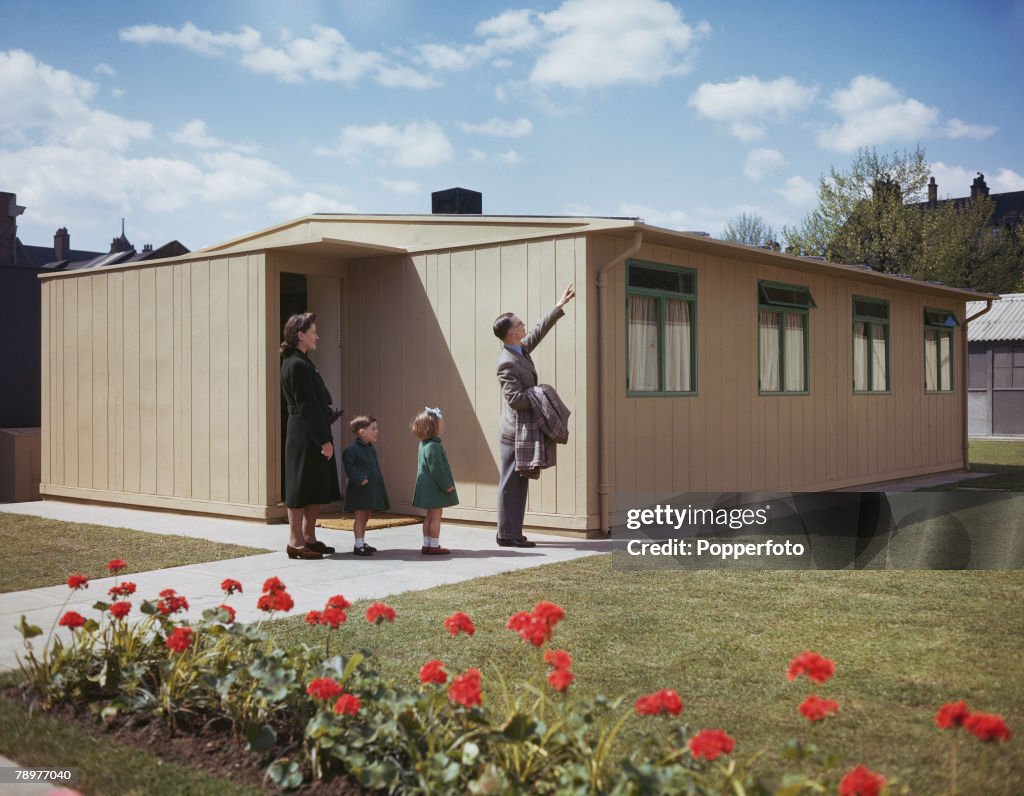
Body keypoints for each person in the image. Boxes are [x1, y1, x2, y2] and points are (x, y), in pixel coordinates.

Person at [494, 283, 576, 547]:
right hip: (514, 432)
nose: (523, 325)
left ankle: (511, 531)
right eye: (519, 324)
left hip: (523, 431)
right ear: (510, 333)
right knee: (511, 485)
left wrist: (558, 306)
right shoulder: (506, 361)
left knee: (520, 484)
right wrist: (539, 393)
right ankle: (507, 535)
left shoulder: (520, 350)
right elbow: (516, 400)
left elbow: (538, 331)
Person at [279, 312, 341, 560]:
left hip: (311, 429)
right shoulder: (295, 364)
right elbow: (307, 406)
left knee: (314, 484)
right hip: (304, 432)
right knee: (300, 487)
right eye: (313, 332)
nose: (317, 336)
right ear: (300, 335)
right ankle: (295, 542)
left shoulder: (303, 361)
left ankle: (309, 538)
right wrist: (323, 440)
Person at [410, 406, 458, 555]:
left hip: (426, 487)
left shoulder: (424, 444)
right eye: (441, 423)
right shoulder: (433, 446)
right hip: (434, 487)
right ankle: (434, 545)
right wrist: (447, 486)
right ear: (433, 427)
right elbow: (437, 469)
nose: (443, 424)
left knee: (429, 516)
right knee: (436, 516)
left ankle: (427, 544)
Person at [342, 415, 390, 556]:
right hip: (359, 489)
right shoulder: (351, 450)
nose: (377, 431)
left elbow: (375, 467)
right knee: (360, 516)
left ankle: (362, 542)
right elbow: (349, 467)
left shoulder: (370, 449)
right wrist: (360, 478)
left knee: (366, 515)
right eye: (373, 428)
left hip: (369, 489)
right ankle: (358, 545)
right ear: (363, 432)